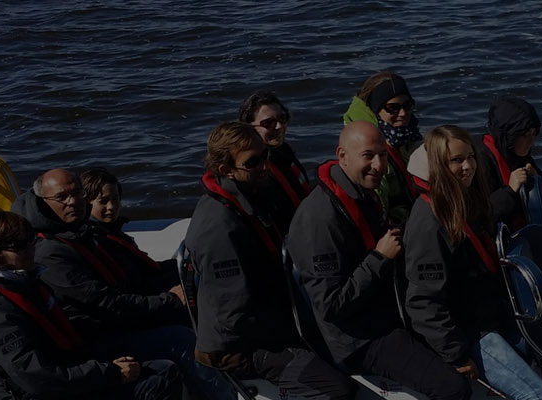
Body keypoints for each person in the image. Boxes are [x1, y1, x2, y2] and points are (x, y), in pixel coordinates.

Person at [13, 169, 236, 399]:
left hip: (115, 322)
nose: (72, 201)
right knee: (180, 339)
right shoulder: (50, 252)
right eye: (61, 197)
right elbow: (104, 304)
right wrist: (168, 301)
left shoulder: (79, 233)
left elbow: (131, 279)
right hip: (95, 339)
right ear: (43, 201)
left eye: (77, 193)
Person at [287, 121, 471, 400]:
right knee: (452, 387)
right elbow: (330, 306)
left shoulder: (361, 193)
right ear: (342, 156)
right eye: (368, 156)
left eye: (383, 155)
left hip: (385, 315)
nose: (378, 165)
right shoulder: (319, 219)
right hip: (359, 340)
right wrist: (379, 258)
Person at [187, 122, 356, 398]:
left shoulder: (249, 196)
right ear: (226, 170)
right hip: (237, 348)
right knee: (337, 389)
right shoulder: (218, 229)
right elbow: (234, 317)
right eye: (252, 162)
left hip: (268, 315)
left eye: (264, 155)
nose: (264, 165)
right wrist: (297, 330)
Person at [0, 211, 182, 400]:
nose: (30, 249)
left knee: (164, 367)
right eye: (19, 246)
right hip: (43, 393)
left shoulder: (25, 283)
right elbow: (36, 377)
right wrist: (110, 373)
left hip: (68, 374)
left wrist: (106, 363)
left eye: (30, 240)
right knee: (157, 381)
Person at [404, 125, 542, 400]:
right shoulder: (429, 223)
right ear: (438, 165)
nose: (468, 166)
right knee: (536, 395)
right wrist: (456, 354)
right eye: (457, 160)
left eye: (471, 157)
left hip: (491, 314)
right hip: (470, 332)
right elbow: (423, 302)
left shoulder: (462, 202)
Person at [342, 71, 420, 225]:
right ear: (375, 109)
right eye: (393, 108)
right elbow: (378, 198)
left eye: (407, 105)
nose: (403, 113)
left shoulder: (406, 134)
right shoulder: (366, 145)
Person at [238, 90, 310, 223]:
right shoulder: (253, 168)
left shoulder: (283, 153)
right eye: (268, 123)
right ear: (249, 126)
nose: (279, 126)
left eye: (283, 118)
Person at [475, 95, 542, 229]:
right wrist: (510, 190)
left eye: (534, 134)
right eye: (525, 135)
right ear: (509, 136)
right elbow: (481, 218)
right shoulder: (481, 161)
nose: (532, 142)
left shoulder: (520, 153)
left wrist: (537, 180)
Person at [81, 167, 126, 235]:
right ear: (86, 203)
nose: (111, 206)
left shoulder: (114, 231)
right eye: (103, 201)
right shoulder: (86, 236)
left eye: (115, 199)